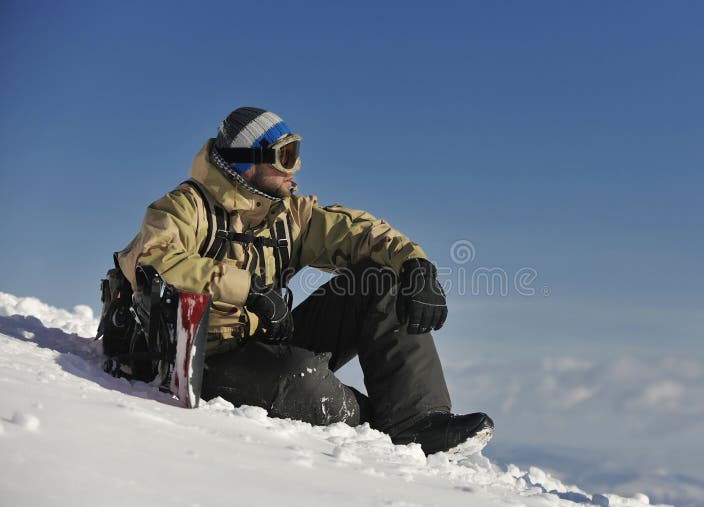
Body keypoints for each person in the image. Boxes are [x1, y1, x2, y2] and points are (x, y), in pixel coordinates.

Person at [116, 107, 493, 455]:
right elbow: (151, 259)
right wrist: (249, 290)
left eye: (295, 153)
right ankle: (380, 431)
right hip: (204, 360)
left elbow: (355, 232)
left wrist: (415, 265)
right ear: (248, 163)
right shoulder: (186, 207)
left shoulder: (286, 216)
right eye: (285, 156)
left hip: (267, 340)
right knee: (300, 381)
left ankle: (418, 420)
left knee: (379, 279)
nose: (294, 168)